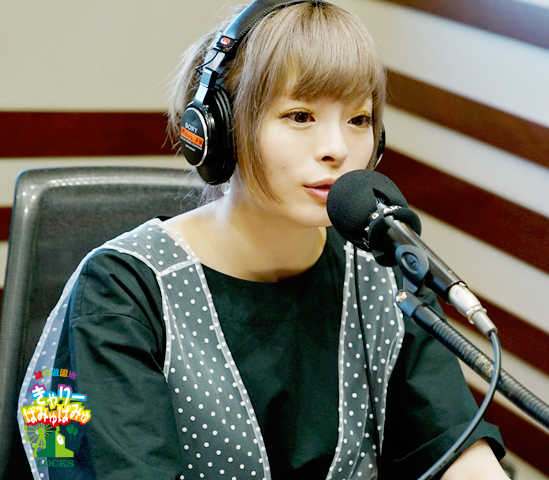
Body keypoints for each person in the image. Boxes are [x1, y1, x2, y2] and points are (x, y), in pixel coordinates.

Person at [18, 1, 508, 479]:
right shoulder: (120, 292)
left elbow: (457, 450)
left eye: (359, 120)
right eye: (300, 116)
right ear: (220, 130)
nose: (337, 148)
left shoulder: (383, 271)